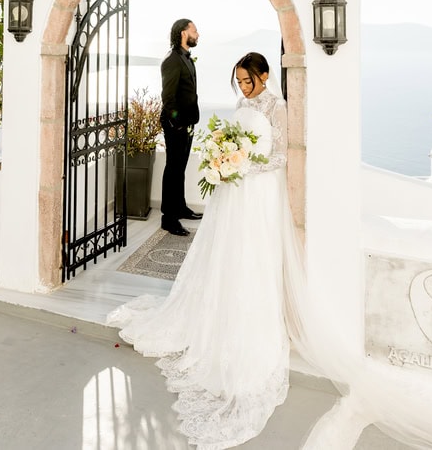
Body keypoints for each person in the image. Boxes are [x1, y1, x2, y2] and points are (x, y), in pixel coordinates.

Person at [107, 51, 296, 449]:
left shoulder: (277, 106)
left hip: (258, 192)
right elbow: (234, 137)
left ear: (264, 75)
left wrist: (244, 166)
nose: (244, 88)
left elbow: (280, 155)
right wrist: (223, 159)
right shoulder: (244, 103)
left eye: (249, 81)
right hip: (233, 190)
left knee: (253, 255)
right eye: (239, 82)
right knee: (225, 253)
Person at [159, 18, 203, 236]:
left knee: (180, 168)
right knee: (173, 169)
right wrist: (176, 124)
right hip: (176, 125)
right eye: (195, 30)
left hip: (187, 123)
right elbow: (168, 98)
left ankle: (180, 207)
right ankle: (169, 218)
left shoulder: (185, 57)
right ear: (184, 33)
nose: (198, 34)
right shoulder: (171, 60)